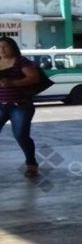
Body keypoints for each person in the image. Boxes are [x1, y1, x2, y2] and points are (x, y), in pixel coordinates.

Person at [0, 36, 42, 177]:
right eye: (0, 47)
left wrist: (12, 83)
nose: (2, 50)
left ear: (13, 47)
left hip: (20, 106)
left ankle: (31, 164)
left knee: (21, 135)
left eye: (5, 47)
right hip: (1, 105)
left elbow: (34, 77)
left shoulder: (21, 61)